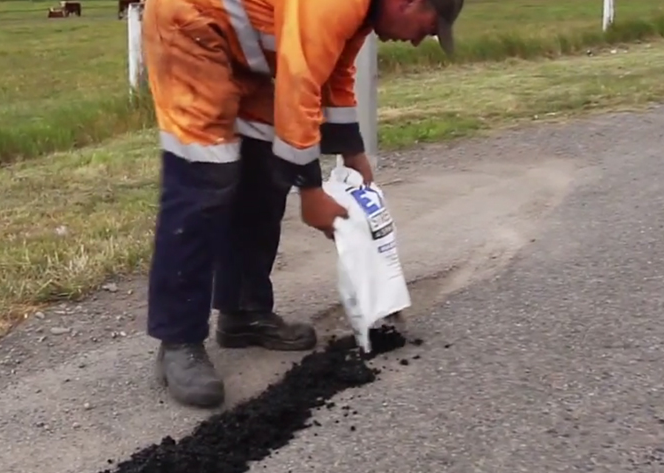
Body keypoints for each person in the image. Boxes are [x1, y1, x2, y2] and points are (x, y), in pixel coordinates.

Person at [141, 0, 466, 409]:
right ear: (408, 2)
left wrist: (352, 152)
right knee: (205, 178)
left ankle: (243, 313)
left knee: (264, 173)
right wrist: (311, 192)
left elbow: (334, 76)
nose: (419, 41)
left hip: (242, 52)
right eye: (428, 27)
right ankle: (178, 341)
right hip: (189, 27)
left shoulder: (361, 15)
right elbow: (300, 84)